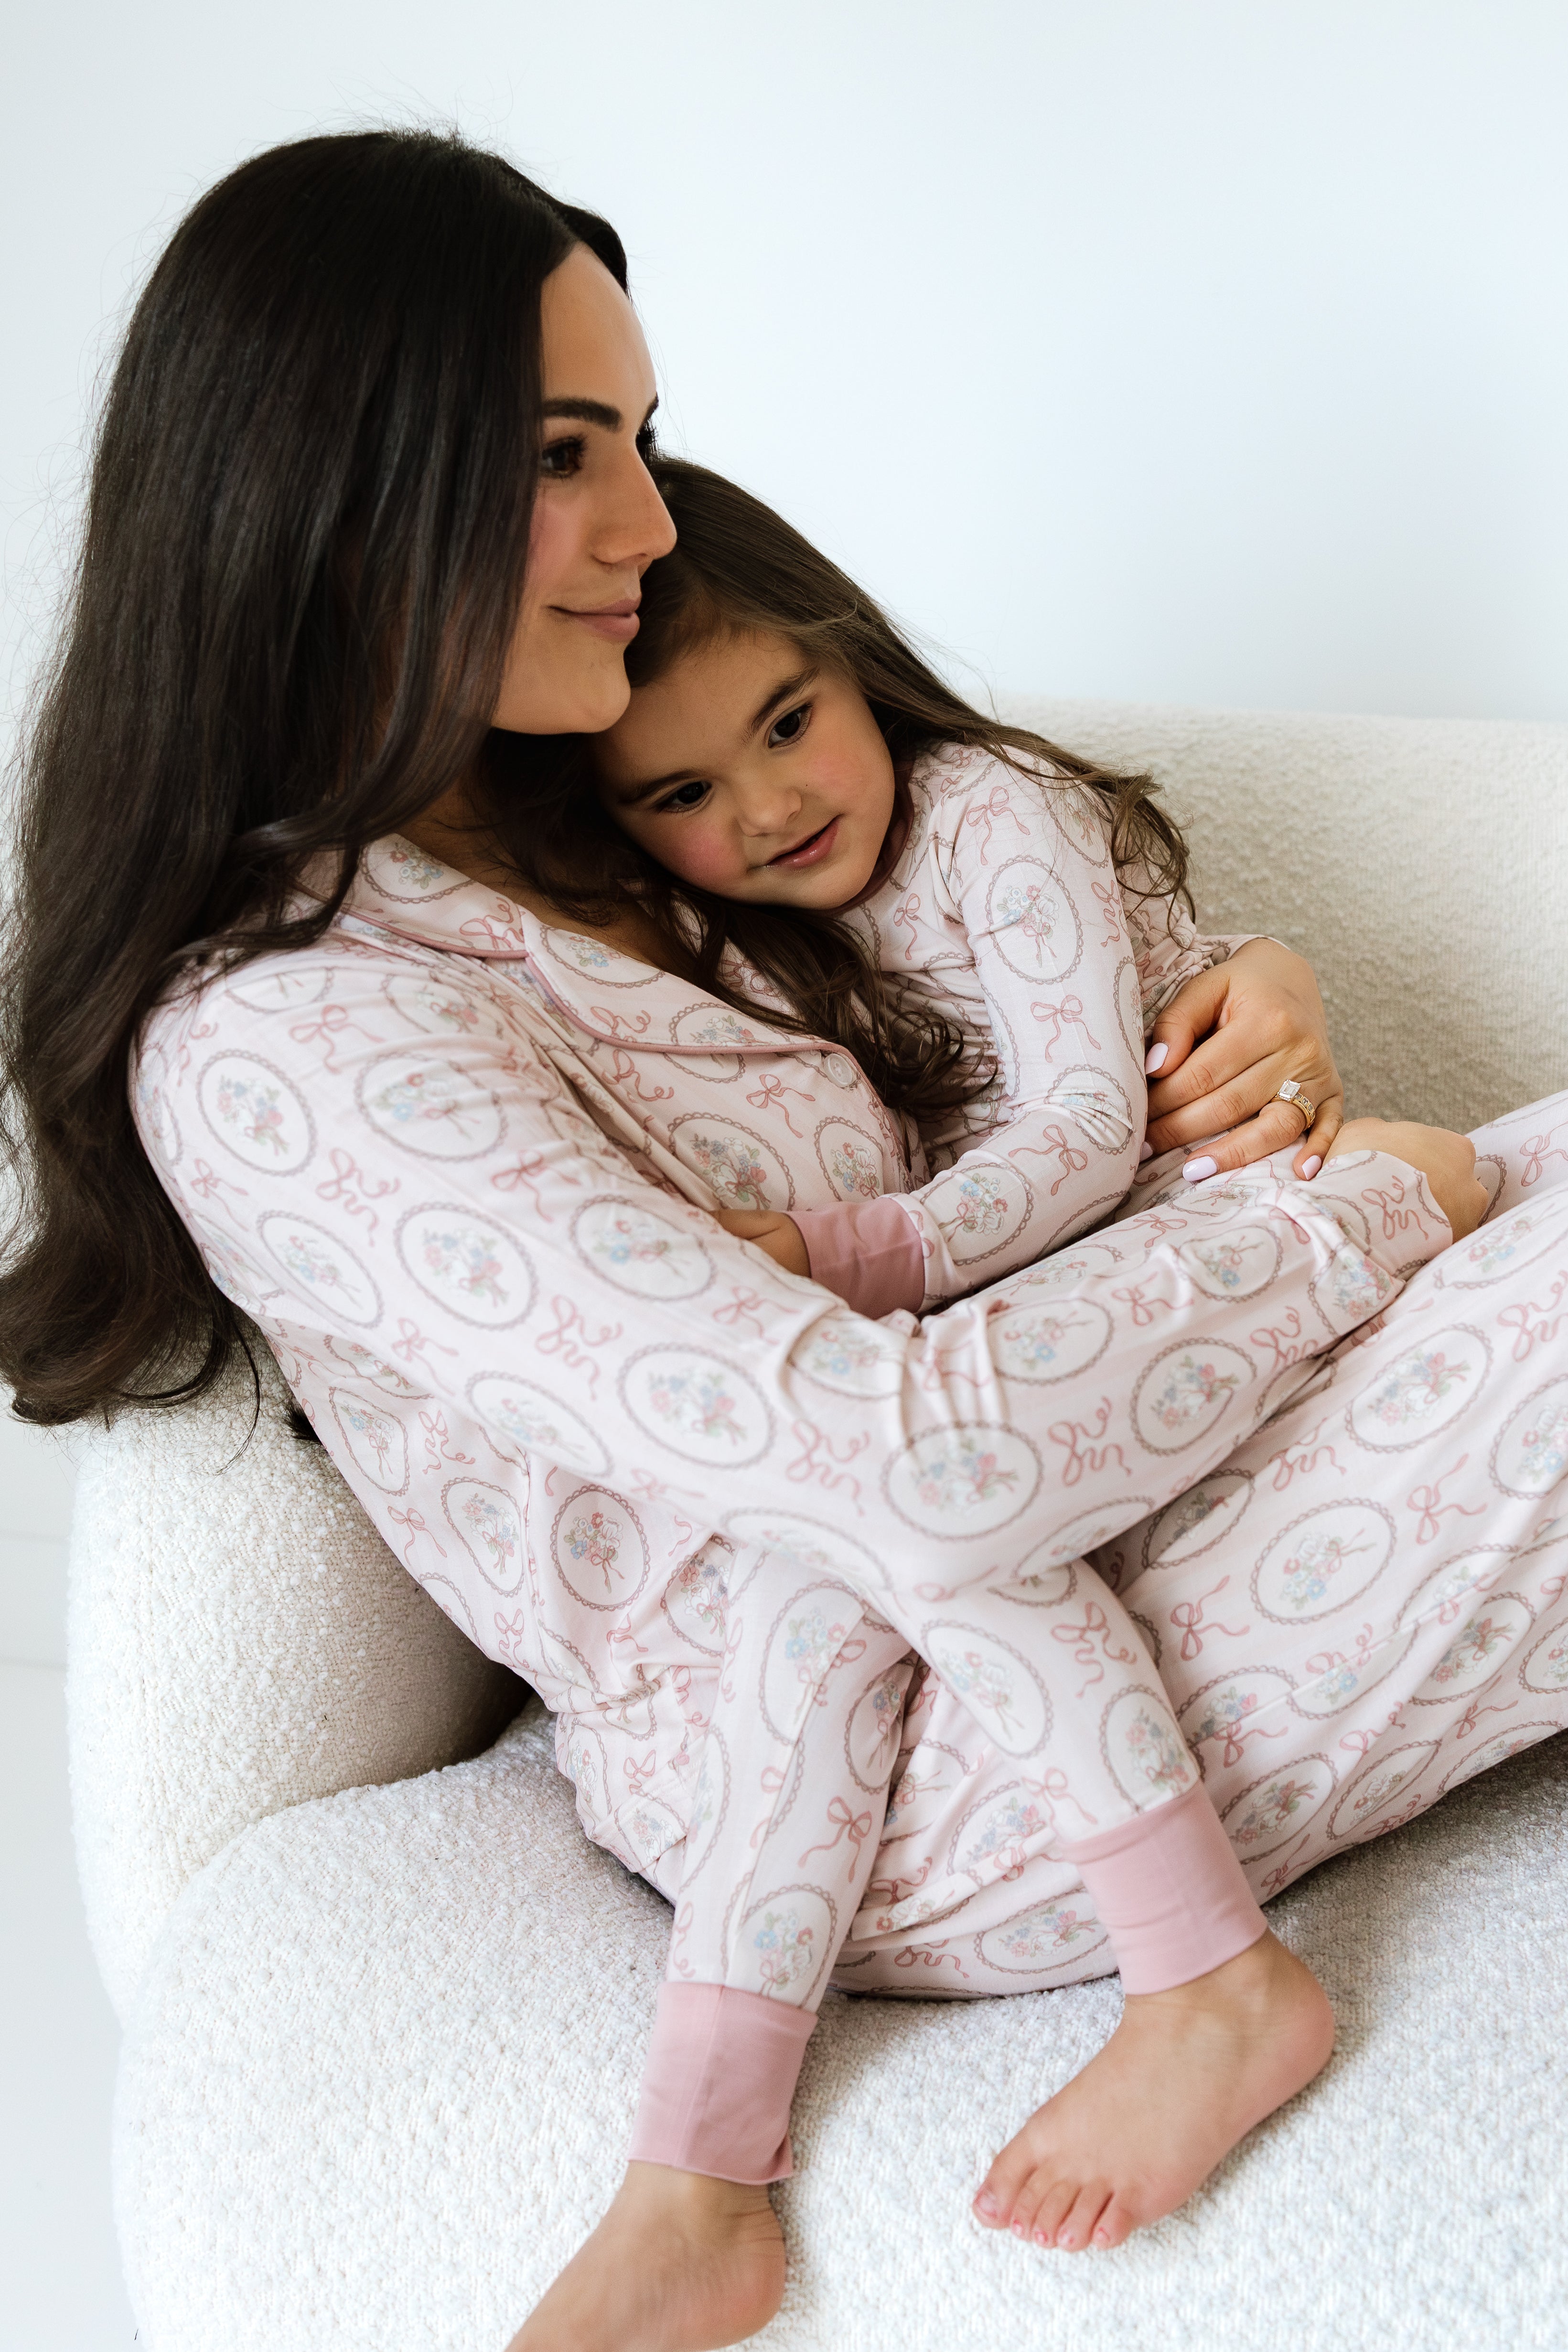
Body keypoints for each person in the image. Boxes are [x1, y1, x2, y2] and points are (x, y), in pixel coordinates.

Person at [0, 128, 1557, 2352]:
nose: (647, 523)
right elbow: (907, 1472)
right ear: (335, 489)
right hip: (887, 1742)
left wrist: (1264, 1004)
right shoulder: (293, 1037)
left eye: (639, 438)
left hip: (1093, 1514)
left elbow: (1031, 1028)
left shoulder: (583, 808)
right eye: (562, 453)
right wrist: (1364, 1214)